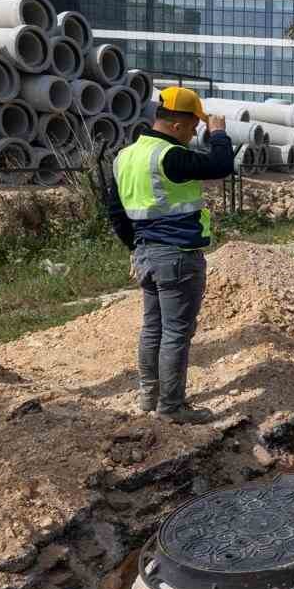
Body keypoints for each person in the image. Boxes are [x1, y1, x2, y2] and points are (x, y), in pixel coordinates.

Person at [106, 87, 235, 424]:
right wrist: (219, 134)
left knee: (152, 329)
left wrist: (135, 249)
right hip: (177, 257)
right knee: (176, 333)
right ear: (177, 125)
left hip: (147, 255)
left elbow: (116, 213)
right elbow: (221, 165)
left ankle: (149, 398)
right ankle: (172, 408)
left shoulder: (125, 156)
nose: (195, 133)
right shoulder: (169, 156)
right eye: (194, 126)